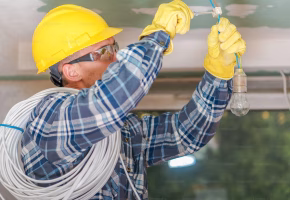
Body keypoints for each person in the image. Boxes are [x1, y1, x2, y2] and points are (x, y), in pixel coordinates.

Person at [22, 1, 246, 199]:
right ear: (71, 72)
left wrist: (218, 72)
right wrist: (158, 36)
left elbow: (185, 135)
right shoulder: (48, 121)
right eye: (105, 51)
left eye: (114, 48)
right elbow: (116, 94)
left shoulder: (124, 132)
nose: (116, 57)